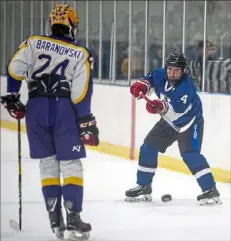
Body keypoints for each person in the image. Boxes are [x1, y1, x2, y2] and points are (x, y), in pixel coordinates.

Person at [1, 4, 99, 240]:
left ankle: (55, 222)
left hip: (35, 108)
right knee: (70, 164)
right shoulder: (81, 53)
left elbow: (14, 69)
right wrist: (84, 119)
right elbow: (80, 92)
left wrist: (13, 96)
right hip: (63, 108)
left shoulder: (33, 42)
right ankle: (73, 218)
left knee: (47, 164)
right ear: (72, 26)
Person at [125, 52, 221, 206]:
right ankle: (144, 186)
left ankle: (210, 189)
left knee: (190, 154)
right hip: (169, 121)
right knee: (148, 147)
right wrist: (142, 85)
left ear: (183, 71)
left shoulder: (186, 87)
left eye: (177, 70)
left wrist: (160, 106)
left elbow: (177, 111)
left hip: (190, 123)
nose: (172, 73)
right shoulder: (160, 74)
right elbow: (149, 80)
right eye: (170, 69)